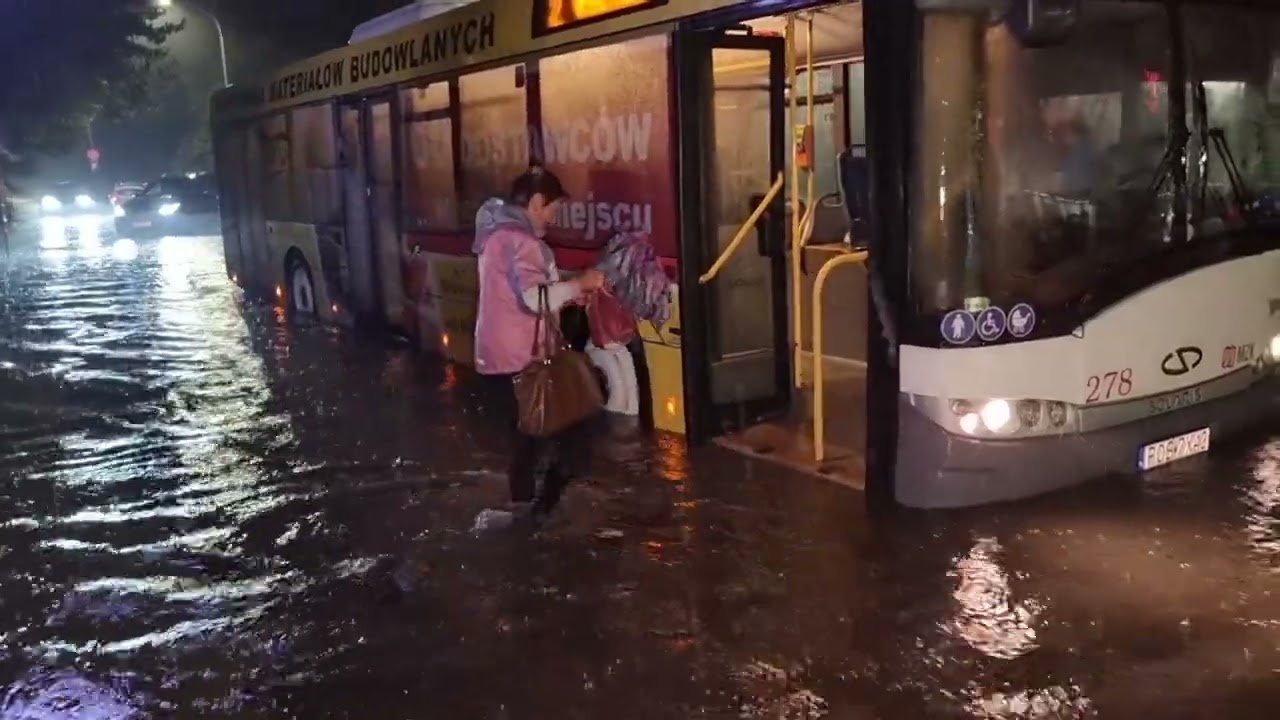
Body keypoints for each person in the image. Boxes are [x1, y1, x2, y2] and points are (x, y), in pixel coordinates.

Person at [472, 166, 605, 523]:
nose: (554, 215)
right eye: (552, 208)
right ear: (534, 202)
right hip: (523, 358)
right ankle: (538, 515)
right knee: (572, 432)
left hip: (499, 356)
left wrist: (568, 287)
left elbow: (529, 289)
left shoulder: (498, 235)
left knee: (528, 441)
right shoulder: (522, 241)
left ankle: (526, 514)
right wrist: (579, 286)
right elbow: (533, 298)